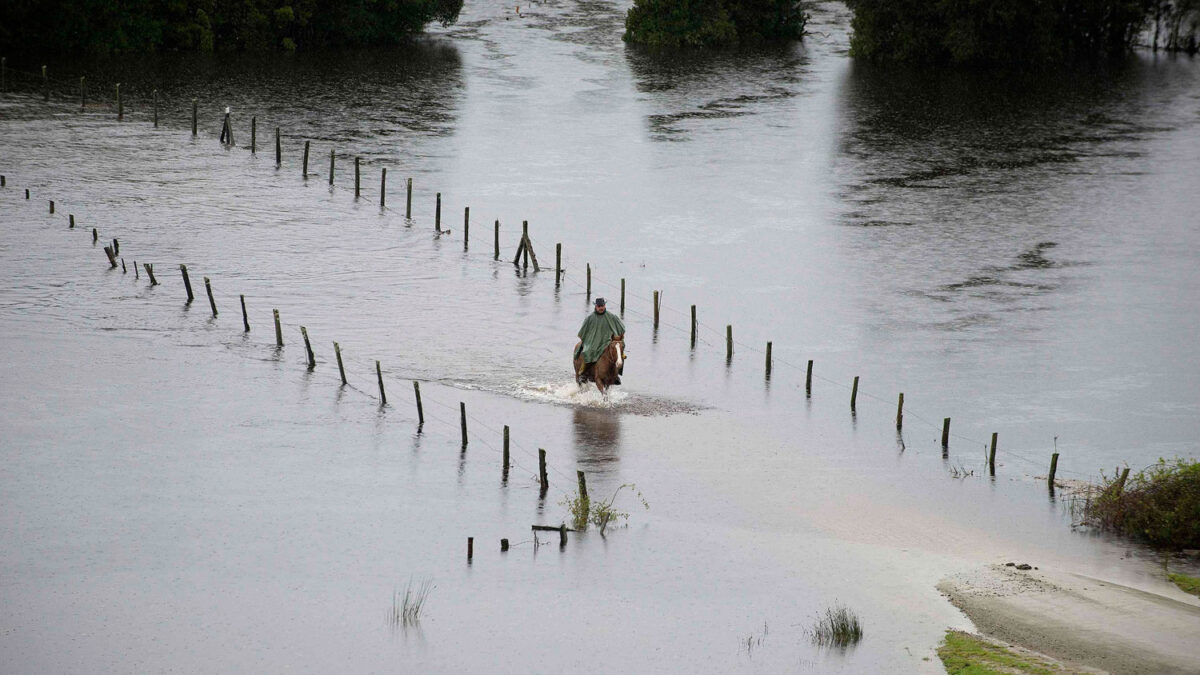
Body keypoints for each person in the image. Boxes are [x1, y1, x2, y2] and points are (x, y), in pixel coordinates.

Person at [576, 297, 625, 376]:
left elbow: (621, 328)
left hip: (608, 340)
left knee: (619, 353)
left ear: (605, 306)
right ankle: (583, 369)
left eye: (602, 306)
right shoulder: (590, 318)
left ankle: (617, 374)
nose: (601, 308)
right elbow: (583, 331)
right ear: (596, 306)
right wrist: (587, 340)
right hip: (594, 341)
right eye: (599, 306)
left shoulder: (612, 316)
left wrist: (618, 337)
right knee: (587, 351)